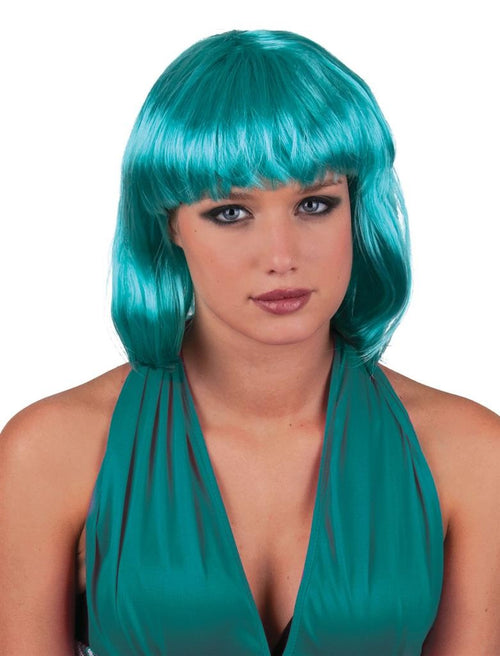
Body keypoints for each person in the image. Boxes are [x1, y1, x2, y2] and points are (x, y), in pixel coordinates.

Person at [1, 29, 499, 656]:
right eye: (230, 213)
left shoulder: (470, 456)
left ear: (357, 208)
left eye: (315, 204)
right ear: (169, 224)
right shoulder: (50, 453)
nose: (281, 256)